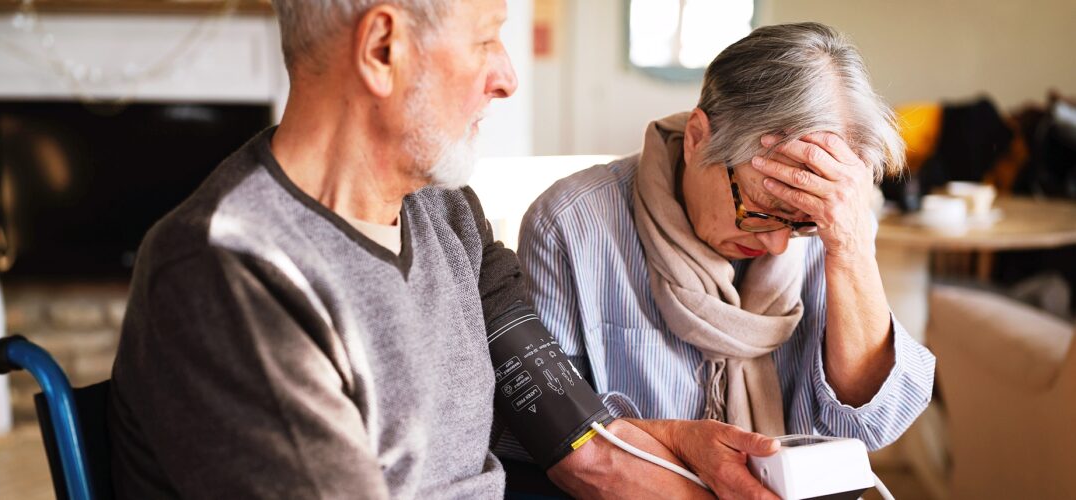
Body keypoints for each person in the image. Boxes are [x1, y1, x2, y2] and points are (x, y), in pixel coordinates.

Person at [108, 1, 782, 498]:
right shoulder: (230, 273)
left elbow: (567, 426)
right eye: (487, 39)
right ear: (381, 49)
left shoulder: (443, 211)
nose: (507, 76)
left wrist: (678, 447)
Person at [518, 22, 936, 464]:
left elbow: (873, 424)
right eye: (760, 208)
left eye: (801, 222)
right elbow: (546, 435)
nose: (778, 245)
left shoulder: (834, 223)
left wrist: (850, 248)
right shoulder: (571, 225)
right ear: (698, 138)